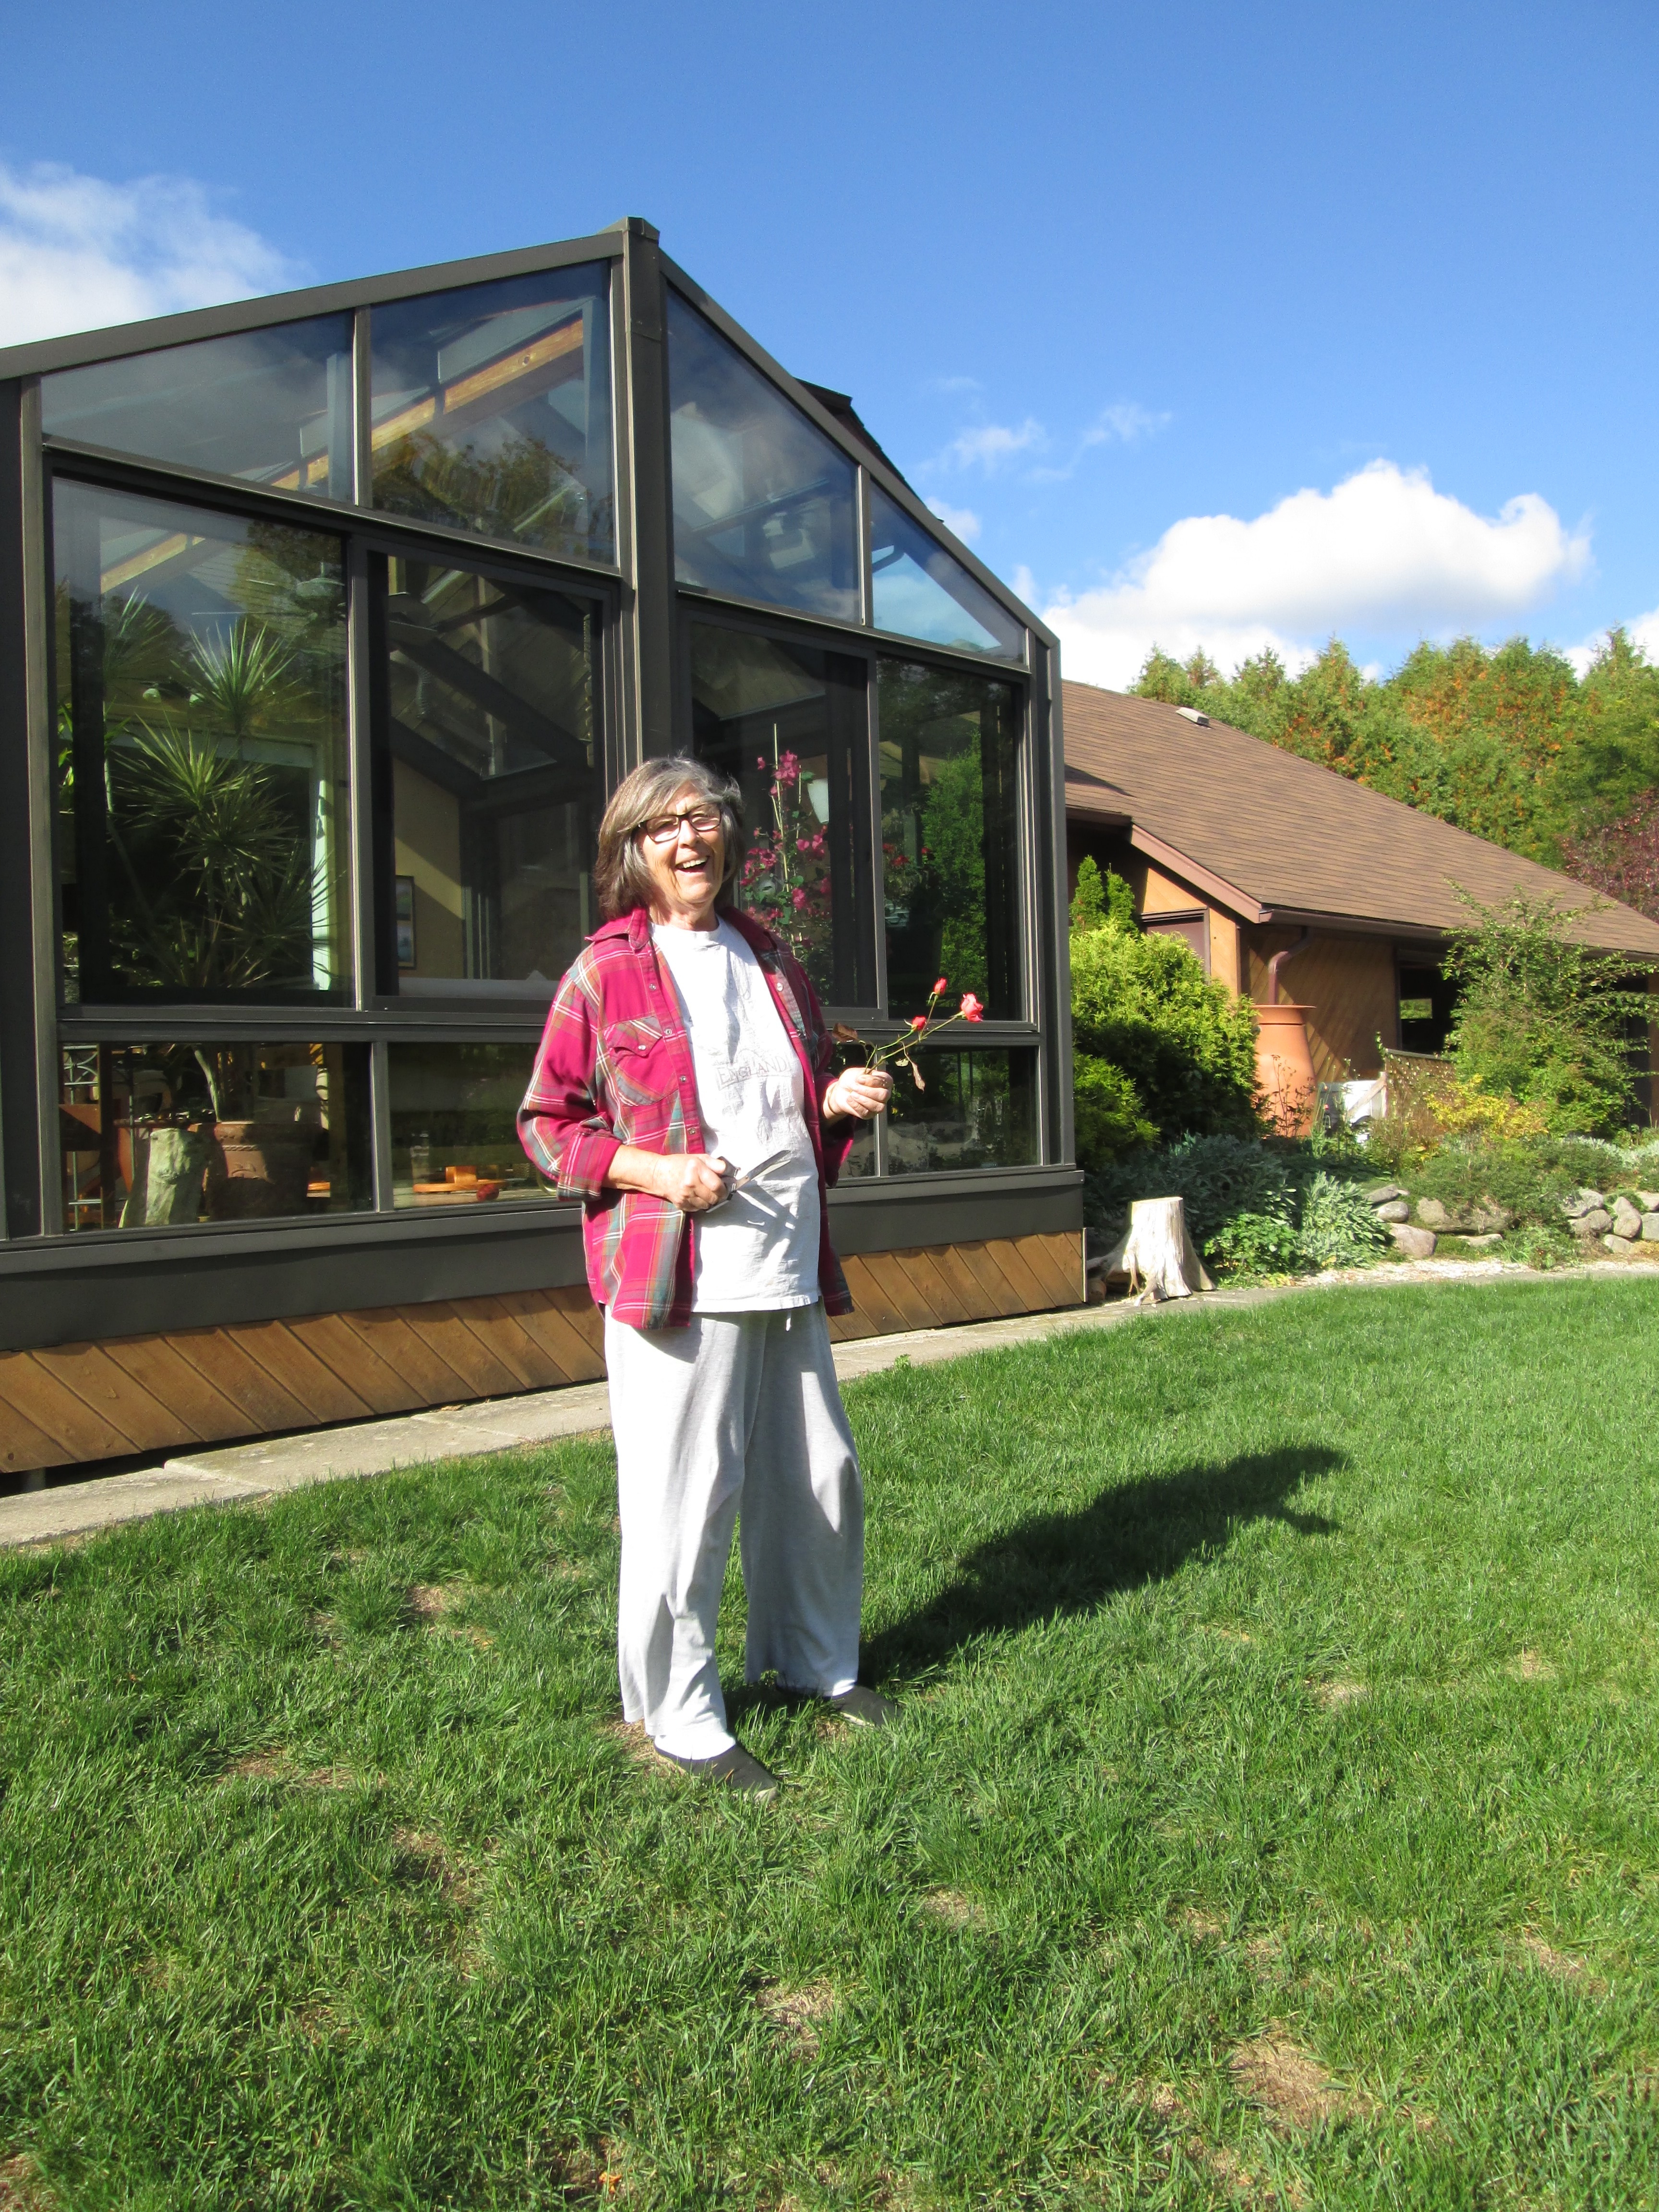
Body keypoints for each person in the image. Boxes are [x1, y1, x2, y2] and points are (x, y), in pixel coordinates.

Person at [519, 756, 895, 1796]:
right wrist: (657, 1171)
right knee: (684, 1503)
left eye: (705, 820)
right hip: (679, 1278)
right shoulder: (604, 973)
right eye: (665, 826)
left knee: (818, 1482)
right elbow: (547, 1128)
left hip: (785, 1262)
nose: (691, 840)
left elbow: (783, 1094)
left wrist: (835, 1098)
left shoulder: (770, 959)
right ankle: (682, 1715)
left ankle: (817, 1663)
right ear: (631, 850)